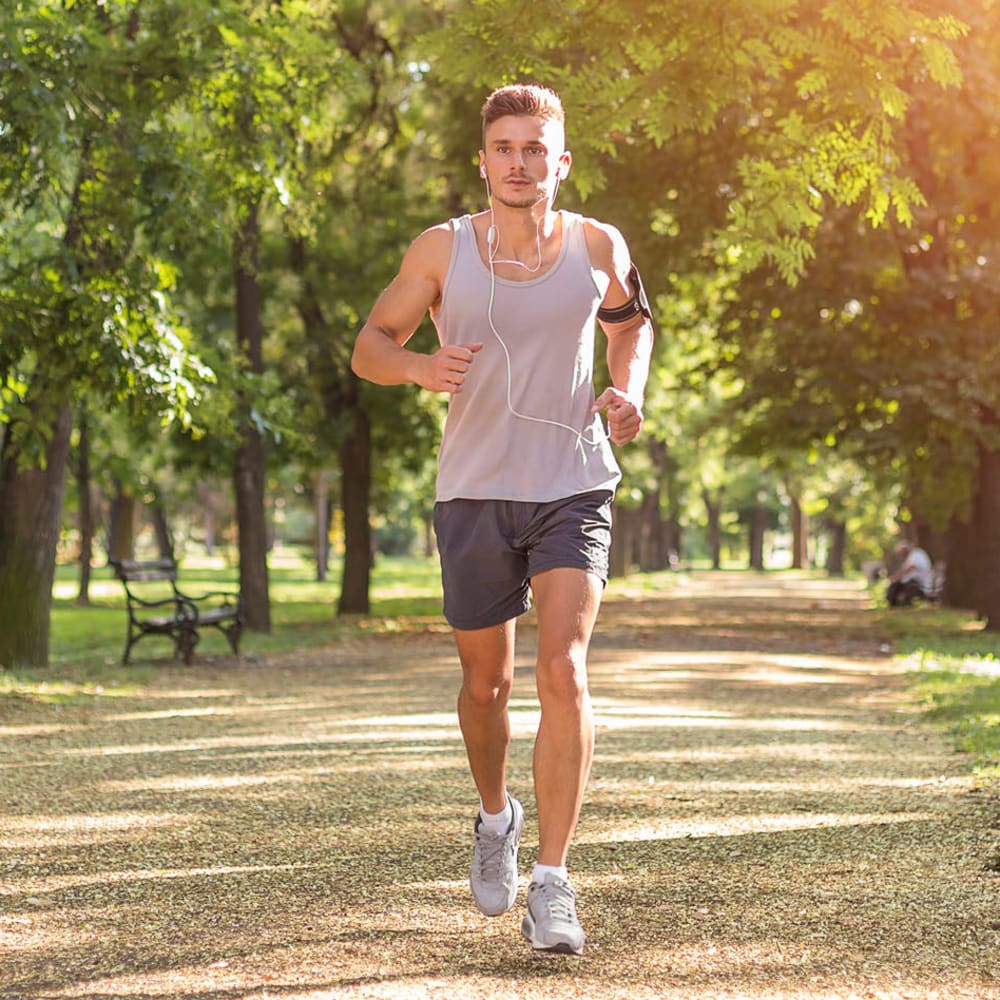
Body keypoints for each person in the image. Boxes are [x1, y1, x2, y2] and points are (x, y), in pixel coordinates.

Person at [351, 83, 653, 956]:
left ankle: (553, 884)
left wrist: (625, 392)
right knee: (487, 689)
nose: (519, 163)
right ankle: (496, 816)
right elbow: (371, 345)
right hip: (475, 489)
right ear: (483, 161)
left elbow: (632, 325)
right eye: (504, 149)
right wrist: (417, 369)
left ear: (561, 162)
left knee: (564, 670)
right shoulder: (443, 249)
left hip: (573, 482)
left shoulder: (598, 244)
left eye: (535, 149)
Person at [886, 540, 934, 606]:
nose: (900, 555)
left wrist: (896, 577)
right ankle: (893, 605)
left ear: (905, 550)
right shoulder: (910, 556)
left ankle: (902, 604)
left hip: (919, 582)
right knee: (894, 586)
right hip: (912, 582)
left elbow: (909, 569)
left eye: (901, 552)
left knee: (901, 585)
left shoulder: (916, 554)